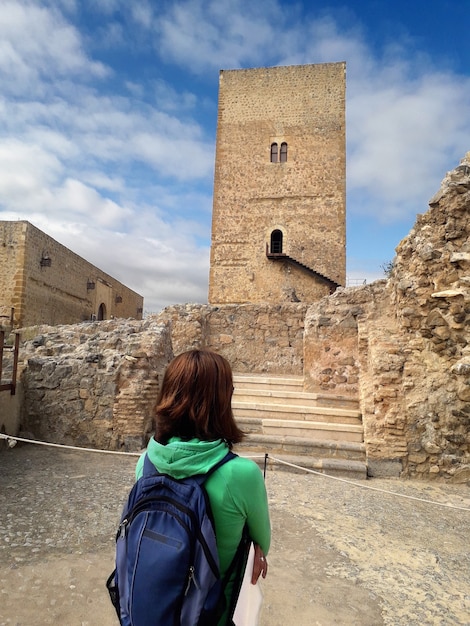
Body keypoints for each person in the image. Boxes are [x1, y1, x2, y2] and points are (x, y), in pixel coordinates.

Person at [135, 349, 271, 625]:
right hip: (211, 616)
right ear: (223, 400)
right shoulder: (242, 475)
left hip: (152, 610)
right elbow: (263, 542)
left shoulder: (146, 462)